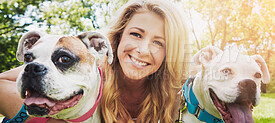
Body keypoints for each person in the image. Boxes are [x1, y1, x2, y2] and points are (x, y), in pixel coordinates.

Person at [0, 0, 191, 122]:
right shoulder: (92, 67)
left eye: (159, 43)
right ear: (118, 36)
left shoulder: (175, 91)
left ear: (170, 52)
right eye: (136, 34)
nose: (142, 50)